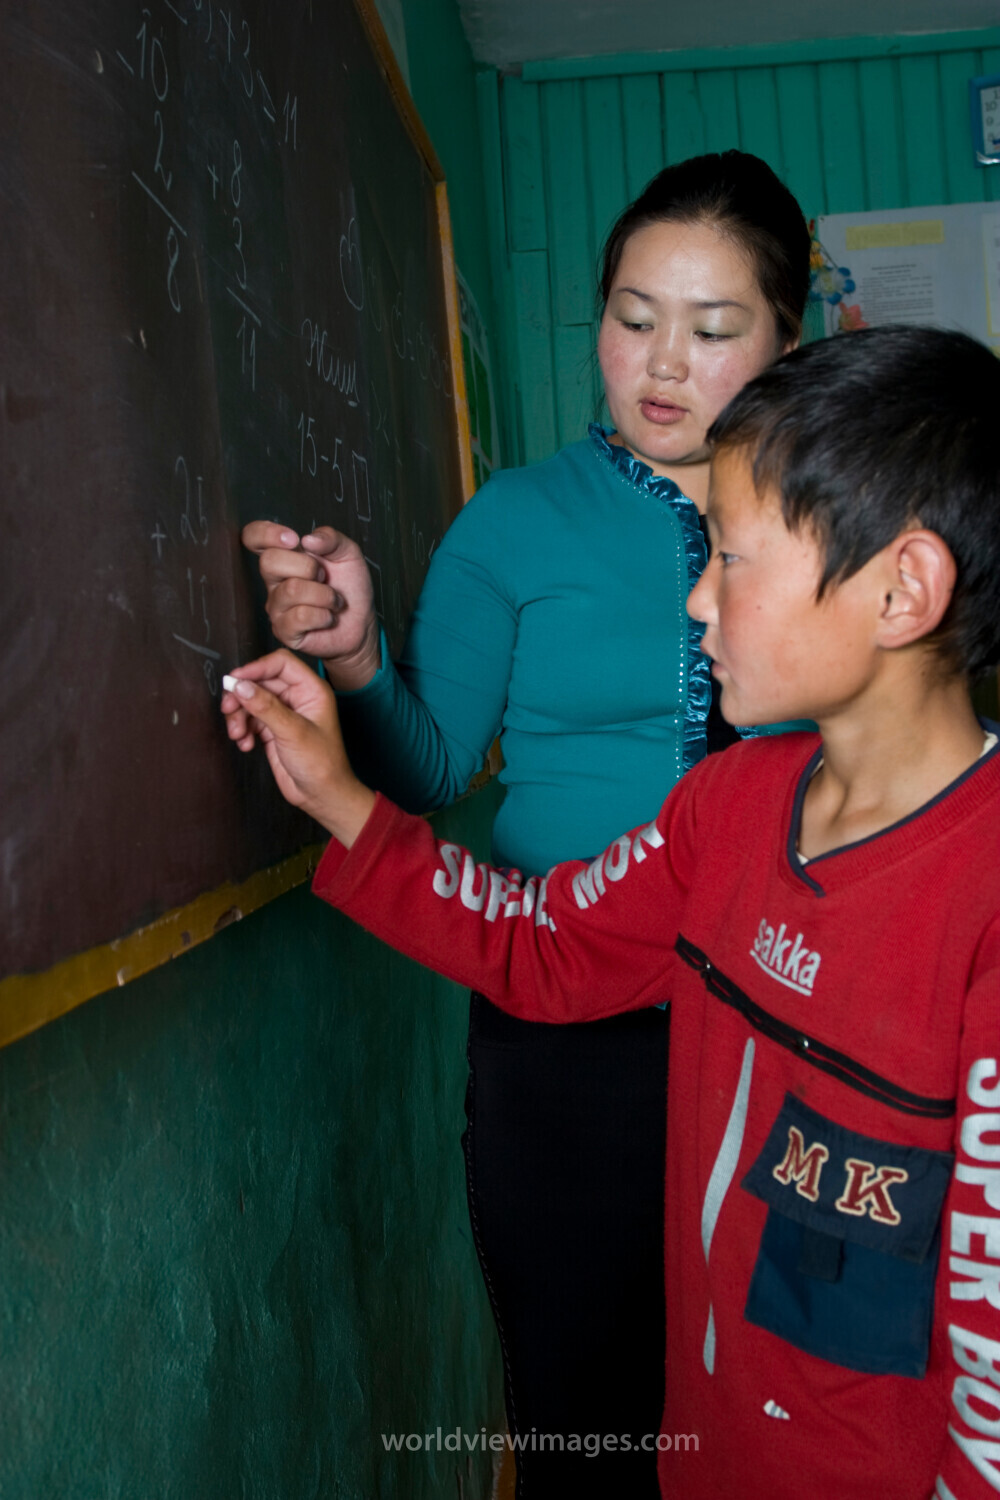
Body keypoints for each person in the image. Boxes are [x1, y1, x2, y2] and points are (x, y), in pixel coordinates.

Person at [222, 325, 1000, 1499]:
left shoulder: (981, 896)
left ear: (901, 591)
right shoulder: (728, 807)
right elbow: (541, 948)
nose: (694, 601)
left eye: (730, 561)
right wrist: (340, 796)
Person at [242, 151, 810, 1494]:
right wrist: (356, 651)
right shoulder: (515, 522)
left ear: (792, 341)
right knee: (586, 1409)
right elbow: (431, 766)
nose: (663, 363)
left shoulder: (825, 525)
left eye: (715, 331)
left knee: (777, 1394)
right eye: (632, 317)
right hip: (562, 1027)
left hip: (784, 1026)